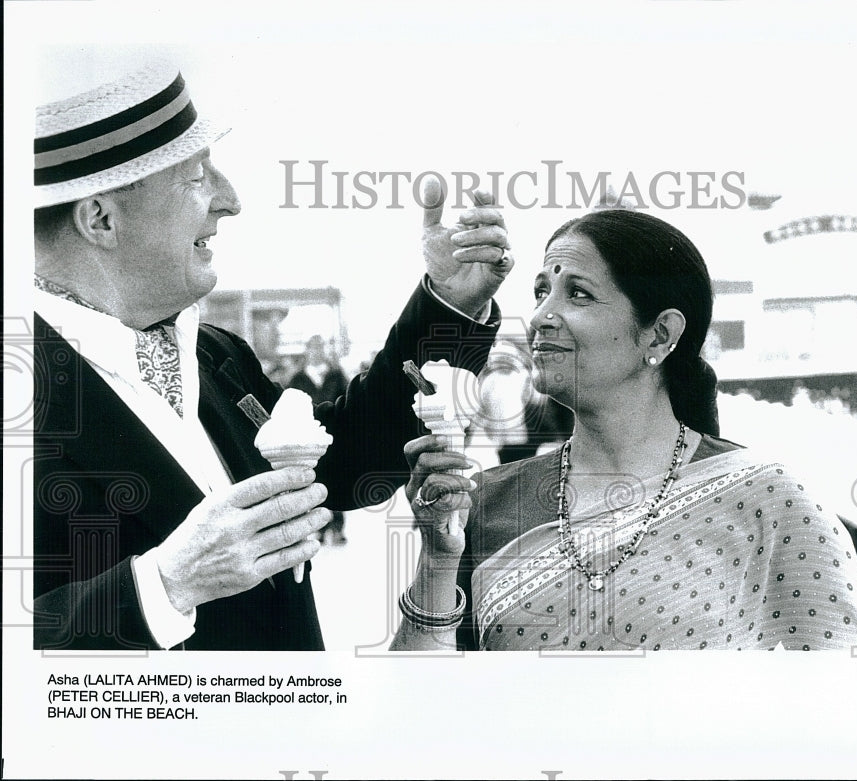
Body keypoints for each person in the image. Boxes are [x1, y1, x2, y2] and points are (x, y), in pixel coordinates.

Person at [32, 60, 512, 651]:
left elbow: (349, 462)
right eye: (195, 177)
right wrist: (161, 588)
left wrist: (449, 307)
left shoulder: (217, 354)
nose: (229, 201)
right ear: (100, 218)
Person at [391, 209, 857, 651]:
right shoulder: (487, 501)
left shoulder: (770, 500)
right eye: (542, 292)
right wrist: (437, 556)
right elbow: (419, 710)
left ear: (660, 334)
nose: (540, 316)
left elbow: (847, 704)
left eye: (577, 294)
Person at [287, 335, 352, 543]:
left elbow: (349, 400)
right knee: (316, 480)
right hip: (308, 439)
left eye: (320, 347)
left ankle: (338, 527)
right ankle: (322, 527)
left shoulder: (336, 375)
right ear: (307, 351)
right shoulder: (298, 379)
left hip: (335, 436)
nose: (317, 351)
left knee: (338, 480)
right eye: (313, 348)